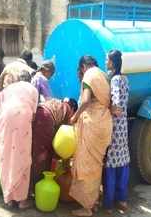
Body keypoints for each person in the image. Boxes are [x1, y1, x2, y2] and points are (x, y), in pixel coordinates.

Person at [0, 71, 38, 209]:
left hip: (7, 119)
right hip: (23, 118)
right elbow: (33, 116)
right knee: (23, 157)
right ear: (30, 80)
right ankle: (21, 201)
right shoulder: (33, 89)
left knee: (7, 155)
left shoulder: (10, 88)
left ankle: (9, 198)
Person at [69, 55, 112, 217]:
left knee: (86, 166)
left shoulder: (89, 75)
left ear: (83, 67)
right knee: (96, 165)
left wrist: (75, 117)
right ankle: (93, 201)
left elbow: (86, 100)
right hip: (104, 123)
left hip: (92, 124)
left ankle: (86, 208)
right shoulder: (103, 75)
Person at [103, 50, 130, 214]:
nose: (106, 62)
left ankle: (108, 204)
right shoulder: (125, 78)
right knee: (123, 162)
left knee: (111, 164)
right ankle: (122, 200)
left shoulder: (114, 80)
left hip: (115, 125)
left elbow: (117, 107)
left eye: (107, 60)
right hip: (124, 125)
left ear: (112, 62)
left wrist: (106, 108)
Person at [31, 98, 78, 187]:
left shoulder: (57, 102)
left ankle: (31, 184)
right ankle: (38, 184)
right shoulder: (67, 110)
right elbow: (64, 136)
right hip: (46, 119)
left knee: (34, 151)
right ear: (73, 109)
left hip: (37, 113)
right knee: (45, 155)